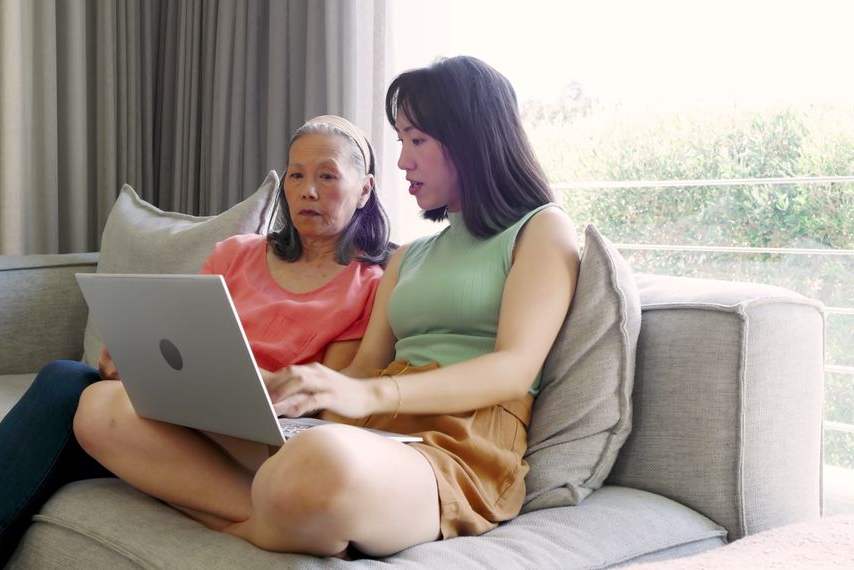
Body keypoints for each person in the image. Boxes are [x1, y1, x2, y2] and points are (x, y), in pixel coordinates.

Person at [73, 55, 580, 558]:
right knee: (104, 410)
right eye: (401, 140)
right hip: (369, 434)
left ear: (471, 137)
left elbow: (514, 368)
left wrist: (373, 396)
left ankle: (252, 517)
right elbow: (362, 370)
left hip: (460, 442)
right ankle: (274, 518)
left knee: (315, 464)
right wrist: (264, 393)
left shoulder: (541, 229)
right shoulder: (409, 257)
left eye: (417, 140)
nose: (403, 158)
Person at [0, 114, 392, 569]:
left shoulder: (368, 286)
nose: (307, 190)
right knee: (67, 380)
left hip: (254, 441)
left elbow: (327, 403)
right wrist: (136, 359)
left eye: (327, 176)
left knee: (67, 407)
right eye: (296, 174)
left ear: (365, 189)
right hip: (181, 412)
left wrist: (242, 378)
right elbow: (182, 336)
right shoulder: (238, 253)